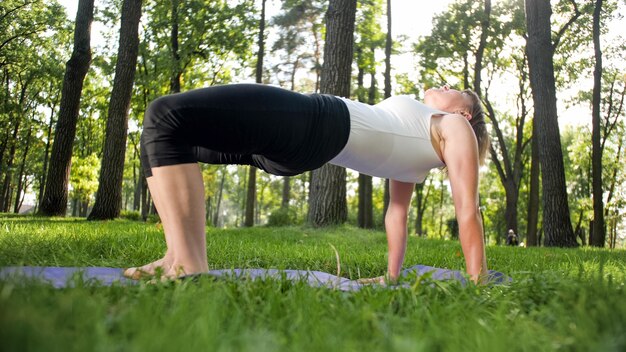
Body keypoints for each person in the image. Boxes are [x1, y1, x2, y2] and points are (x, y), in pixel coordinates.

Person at [124, 83, 490, 284]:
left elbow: (467, 210)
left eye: (453, 87)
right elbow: (396, 215)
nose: (442, 84)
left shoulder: (454, 126)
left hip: (319, 122)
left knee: (165, 114)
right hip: (305, 148)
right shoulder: (420, 140)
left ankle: (190, 264)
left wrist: (478, 280)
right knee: (171, 136)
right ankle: (177, 257)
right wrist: (391, 277)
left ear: (464, 112)